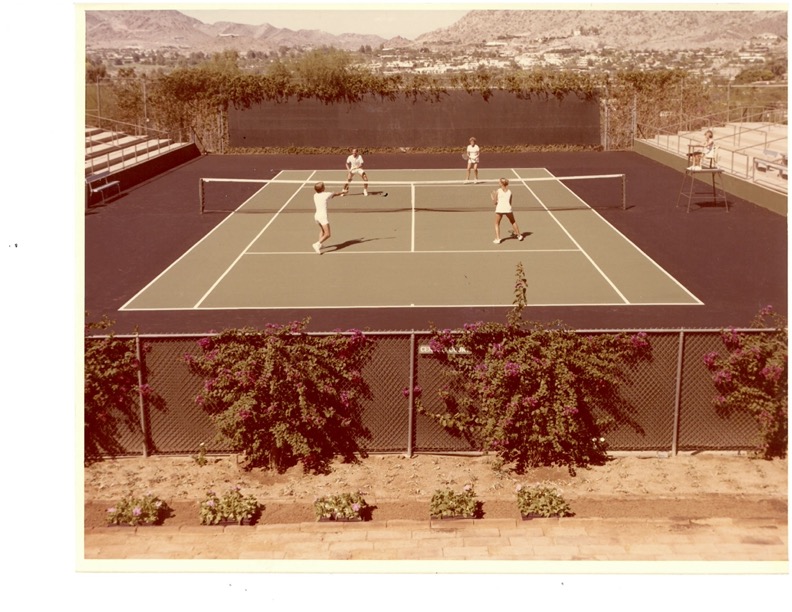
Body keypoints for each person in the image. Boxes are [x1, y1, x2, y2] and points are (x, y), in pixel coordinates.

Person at [312, 181, 346, 254]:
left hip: (316, 216)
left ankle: (320, 245)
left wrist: (333, 193)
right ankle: (317, 244)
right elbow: (335, 194)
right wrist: (343, 191)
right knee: (327, 234)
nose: (325, 187)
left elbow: (332, 194)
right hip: (322, 217)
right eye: (323, 186)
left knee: (322, 230)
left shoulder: (315, 195)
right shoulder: (326, 194)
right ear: (322, 189)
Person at [491, 177, 523, 244]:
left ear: (502, 183)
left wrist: (492, 197)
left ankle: (498, 239)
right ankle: (519, 236)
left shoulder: (498, 191)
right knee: (513, 221)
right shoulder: (510, 192)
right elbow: (510, 202)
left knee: (496, 223)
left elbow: (495, 203)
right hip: (508, 209)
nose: (498, 183)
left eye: (499, 182)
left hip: (500, 209)